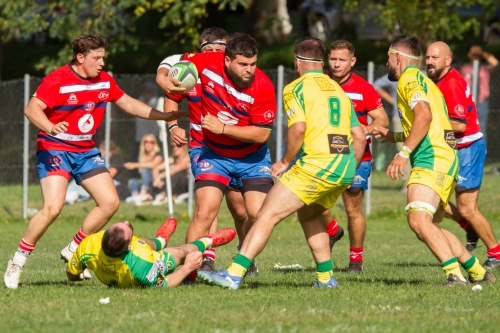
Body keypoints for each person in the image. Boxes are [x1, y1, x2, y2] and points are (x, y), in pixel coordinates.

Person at [4, 34, 188, 290]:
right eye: (96, 58)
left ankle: (74, 247)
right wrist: (50, 126)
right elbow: (31, 109)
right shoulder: (57, 79)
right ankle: (18, 261)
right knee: (53, 207)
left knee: (110, 202)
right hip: (54, 146)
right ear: (80, 58)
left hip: (84, 149)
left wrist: (165, 116)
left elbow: (129, 104)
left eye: (103, 57)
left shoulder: (104, 80)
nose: (102, 63)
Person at [197, 37, 366, 289]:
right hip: (343, 167)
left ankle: (234, 273)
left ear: (298, 62)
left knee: (265, 215)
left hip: (315, 167)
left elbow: (298, 129)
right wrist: (349, 165)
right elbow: (360, 135)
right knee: (309, 216)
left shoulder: (296, 88)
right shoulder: (338, 91)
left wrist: (285, 161)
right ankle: (325, 278)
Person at [373, 35, 495, 285]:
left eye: (388, 58)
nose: (387, 64)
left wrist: (403, 152)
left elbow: (425, 116)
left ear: (397, 57)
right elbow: (434, 124)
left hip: (432, 159)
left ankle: (454, 275)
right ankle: (477, 271)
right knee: (426, 225)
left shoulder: (409, 79)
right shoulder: (425, 82)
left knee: (418, 219)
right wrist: (393, 135)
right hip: (443, 158)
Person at [157, 32, 276, 277]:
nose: (249, 70)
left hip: (252, 159)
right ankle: (190, 271)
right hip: (213, 153)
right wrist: (162, 79)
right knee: (205, 210)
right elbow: (169, 62)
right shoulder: (207, 63)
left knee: (255, 214)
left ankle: (245, 255)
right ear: (227, 60)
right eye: (243, 64)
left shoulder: (263, 86)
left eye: (253, 64)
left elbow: (262, 135)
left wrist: (222, 128)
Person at [426, 41, 500, 269]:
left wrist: (425, 124)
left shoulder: (451, 84)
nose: (429, 61)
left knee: (468, 207)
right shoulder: (437, 80)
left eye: (435, 57)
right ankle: (468, 227)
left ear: (448, 60)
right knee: (432, 201)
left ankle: (496, 254)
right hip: (451, 149)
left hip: (467, 148)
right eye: (427, 57)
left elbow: (459, 125)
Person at [325, 40, 389, 273]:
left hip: (357, 157)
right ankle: (332, 229)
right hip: (324, 156)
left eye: (342, 60)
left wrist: (367, 129)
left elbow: (382, 120)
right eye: (333, 59)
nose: (336, 64)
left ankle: (355, 261)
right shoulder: (321, 83)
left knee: (353, 209)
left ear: (352, 61)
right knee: (313, 202)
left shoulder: (363, 87)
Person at [66, 217, 237, 288]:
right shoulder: (143, 264)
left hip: (119, 261)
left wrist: (78, 276)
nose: (126, 221)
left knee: (142, 241)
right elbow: (163, 284)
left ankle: (160, 240)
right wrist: (187, 268)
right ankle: (209, 241)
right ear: (129, 248)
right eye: (126, 226)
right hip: (146, 262)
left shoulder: (89, 244)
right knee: (177, 253)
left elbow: (71, 273)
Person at [373, 73, 411, 187]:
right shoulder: (395, 75)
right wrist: (392, 100)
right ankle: (407, 181)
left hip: (417, 117)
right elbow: (375, 85)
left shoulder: (422, 75)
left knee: (415, 146)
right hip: (399, 117)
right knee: (403, 147)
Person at [65, 141, 130, 204]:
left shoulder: (116, 157)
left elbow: (111, 175)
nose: (100, 153)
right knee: (79, 179)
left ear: (109, 151)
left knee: (91, 181)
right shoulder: (101, 159)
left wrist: (94, 177)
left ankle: (77, 195)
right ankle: (67, 194)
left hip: (115, 182)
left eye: (102, 151)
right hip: (103, 179)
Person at [460, 45, 498, 146]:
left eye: (477, 55)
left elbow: (495, 62)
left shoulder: (485, 68)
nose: (475, 56)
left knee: (482, 130)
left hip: (481, 103)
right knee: (467, 130)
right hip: (468, 103)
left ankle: (482, 155)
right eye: (474, 54)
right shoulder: (465, 68)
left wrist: (482, 53)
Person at [124, 133, 164, 205]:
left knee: (145, 169)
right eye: (146, 142)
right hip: (146, 183)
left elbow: (153, 164)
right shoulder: (143, 157)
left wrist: (134, 165)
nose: (148, 144)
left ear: (154, 144)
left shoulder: (158, 154)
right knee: (132, 181)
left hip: (156, 183)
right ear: (143, 144)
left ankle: (143, 193)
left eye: (151, 142)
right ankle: (135, 197)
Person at [130, 81, 161, 163]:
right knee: (135, 156)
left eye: (150, 90)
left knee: (152, 157)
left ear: (154, 91)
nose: (147, 92)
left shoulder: (156, 101)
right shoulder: (140, 99)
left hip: (152, 135)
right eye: (146, 90)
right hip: (139, 135)